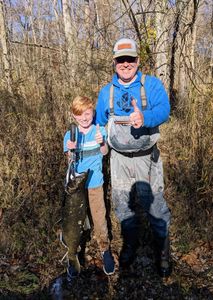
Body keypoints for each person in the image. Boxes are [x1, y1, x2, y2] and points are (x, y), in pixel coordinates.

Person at [95, 38, 172, 277]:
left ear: (138, 61)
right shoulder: (106, 92)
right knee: (122, 205)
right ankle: (130, 244)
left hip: (146, 157)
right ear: (114, 62)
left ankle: (162, 251)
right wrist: (97, 140)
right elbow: (99, 123)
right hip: (118, 159)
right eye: (121, 59)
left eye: (130, 59)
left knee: (155, 206)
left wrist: (145, 118)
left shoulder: (152, 85)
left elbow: (164, 110)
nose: (125, 64)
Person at [63, 95, 115, 277]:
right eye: (80, 114)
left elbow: (105, 152)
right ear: (73, 116)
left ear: (93, 113)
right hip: (76, 189)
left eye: (88, 113)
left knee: (99, 218)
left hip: (95, 184)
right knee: (74, 223)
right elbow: (69, 161)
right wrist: (70, 148)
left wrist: (102, 142)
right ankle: (73, 253)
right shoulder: (71, 134)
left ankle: (104, 248)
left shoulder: (99, 130)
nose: (84, 117)